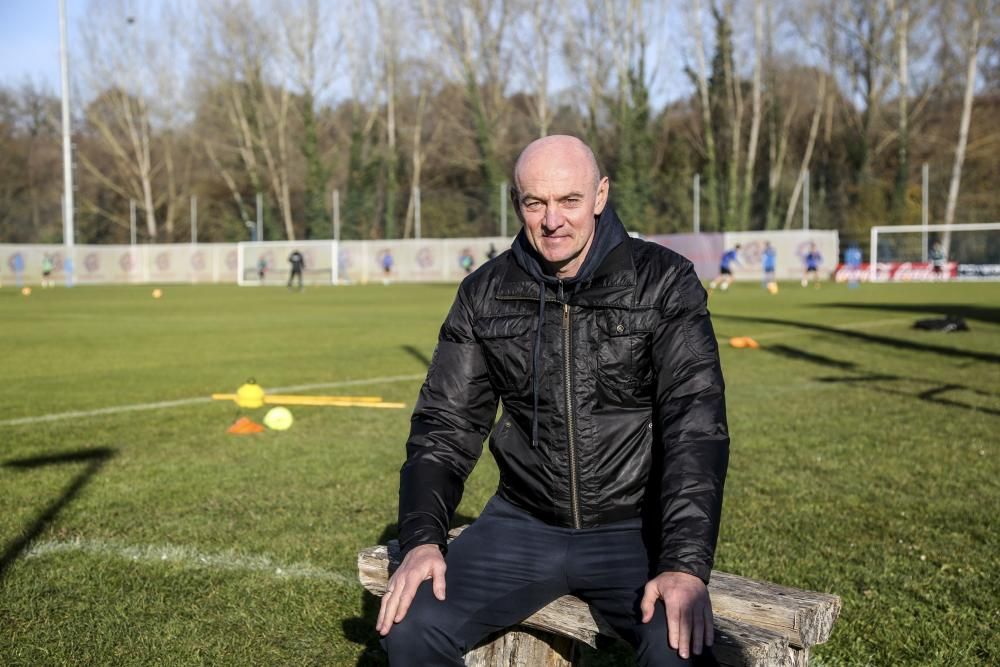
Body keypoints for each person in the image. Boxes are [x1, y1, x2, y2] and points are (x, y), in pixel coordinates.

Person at [379, 135, 729, 666]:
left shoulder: (663, 281)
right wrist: (424, 539)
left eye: (569, 200)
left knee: (678, 649)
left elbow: (695, 427)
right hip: (522, 525)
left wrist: (682, 563)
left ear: (600, 195)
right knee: (410, 626)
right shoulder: (484, 292)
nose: (552, 221)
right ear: (517, 203)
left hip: (634, 529)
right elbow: (444, 427)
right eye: (534, 203)